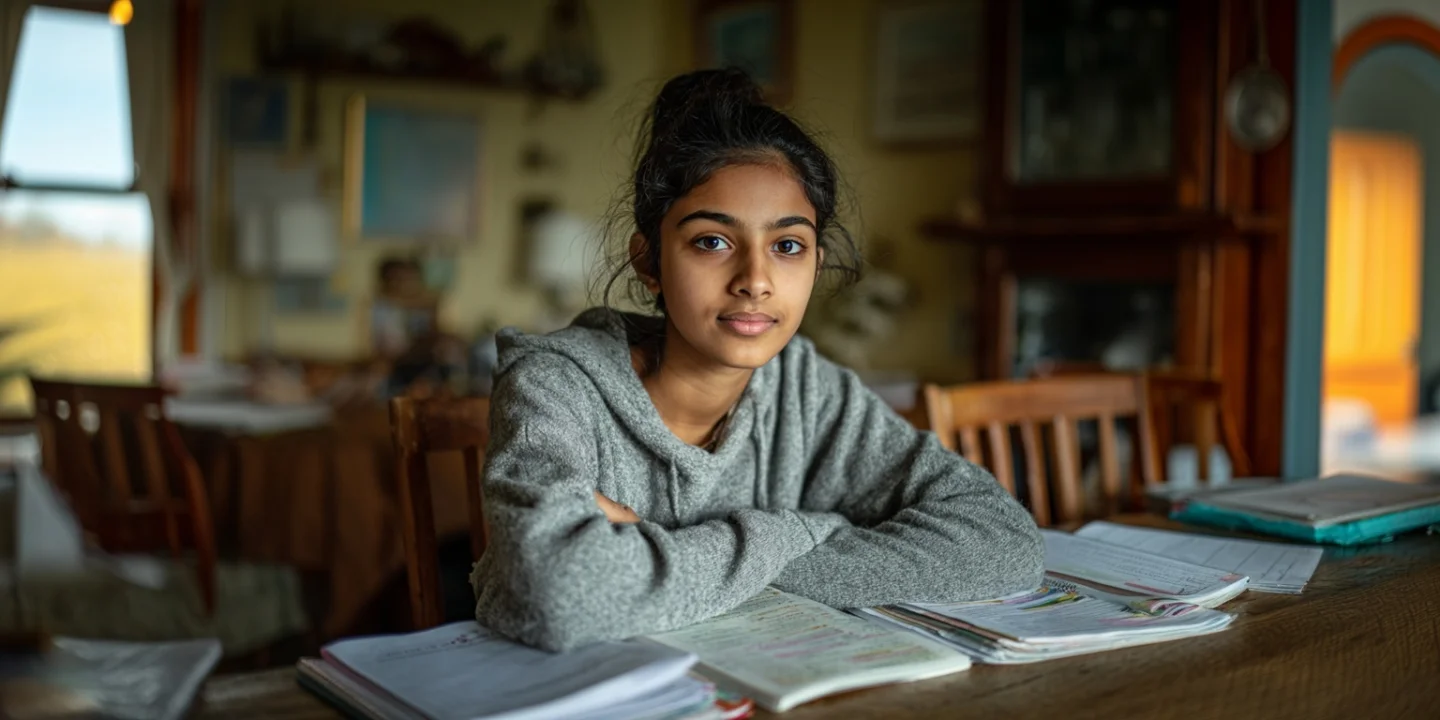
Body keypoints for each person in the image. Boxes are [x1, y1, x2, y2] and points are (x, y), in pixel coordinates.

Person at [471, 69, 1043, 651]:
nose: (755, 281)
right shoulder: (554, 384)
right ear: (648, 262)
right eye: (712, 241)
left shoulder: (804, 386)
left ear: (816, 263)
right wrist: (819, 533)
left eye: (787, 246)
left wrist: (680, 542)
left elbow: (1004, 541)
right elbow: (560, 594)